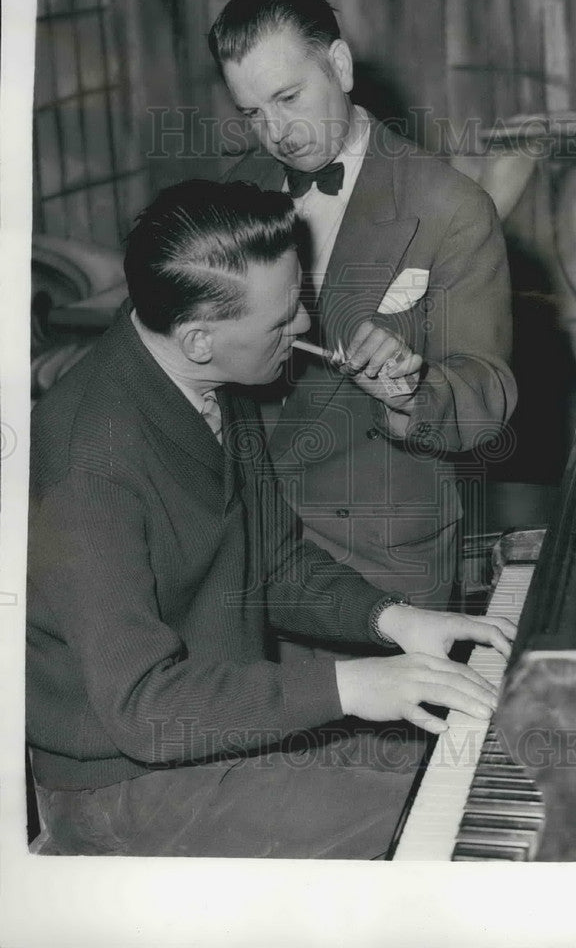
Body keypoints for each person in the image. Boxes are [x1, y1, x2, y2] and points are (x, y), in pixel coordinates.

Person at [26, 180, 515, 859]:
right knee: (456, 820)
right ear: (200, 339)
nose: (306, 328)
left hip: (211, 743)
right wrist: (351, 684)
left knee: (468, 769)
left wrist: (395, 621)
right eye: (283, 318)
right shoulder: (89, 462)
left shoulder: (206, 378)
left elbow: (274, 562)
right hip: (123, 790)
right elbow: (144, 708)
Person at [209, 0, 516, 609]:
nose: (276, 132)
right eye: (252, 112)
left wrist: (412, 389)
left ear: (341, 67)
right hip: (246, 546)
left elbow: (485, 397)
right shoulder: (236, 192)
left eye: (289, 97)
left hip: (380, 559)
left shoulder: (450, 206)